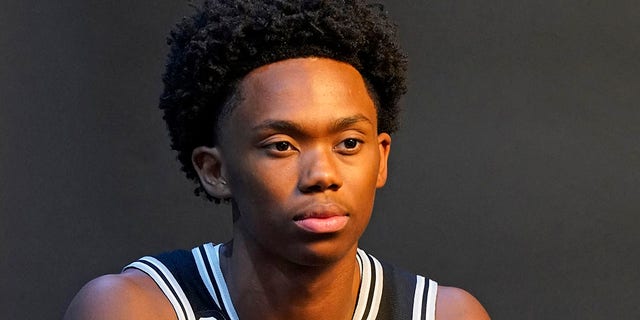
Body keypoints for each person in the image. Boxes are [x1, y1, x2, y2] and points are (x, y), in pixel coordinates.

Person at [64, 0, 490, 319]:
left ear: (381, 159)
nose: (322, 175)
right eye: (282, 145)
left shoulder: (443, 314)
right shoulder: (134, 309)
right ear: (215, 170)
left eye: (348, 143)